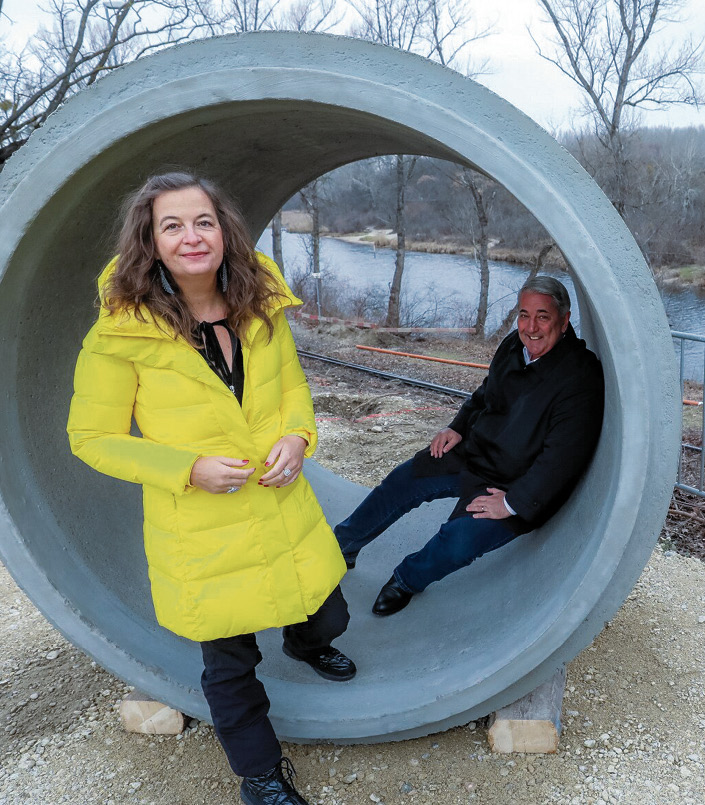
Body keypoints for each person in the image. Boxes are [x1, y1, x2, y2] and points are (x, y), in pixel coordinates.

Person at [67, 172, 352, 805]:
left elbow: (292, 390)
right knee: (230, 662)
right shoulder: (122, 333)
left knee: (329, 611)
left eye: (203, 221)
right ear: (150, 240)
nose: (191, 236)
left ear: (224, 231)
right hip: (203, 526)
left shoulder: (260, 301)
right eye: (173, 225)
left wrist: (299, 439)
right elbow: (90, 437)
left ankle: (306, 643)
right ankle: (259, 776)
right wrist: (187, 468)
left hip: (280, 504)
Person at [336, 276, 604, 616]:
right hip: (476, 454)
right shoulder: (513, 345)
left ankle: (406, 580)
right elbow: (485, 393)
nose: (531, 327)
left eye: (543, 316)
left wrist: (512, 503)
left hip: (513, 483)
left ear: (564, 321)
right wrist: (458, 426)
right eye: (524, 314)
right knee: (403, 480)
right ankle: (343, 544)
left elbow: (562, 458)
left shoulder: (580, 377)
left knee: (459, 540)